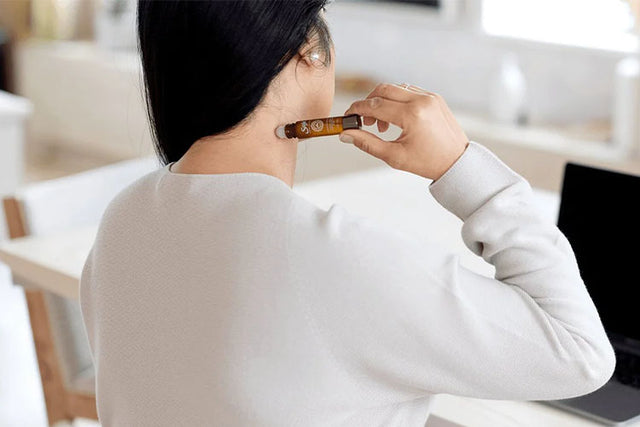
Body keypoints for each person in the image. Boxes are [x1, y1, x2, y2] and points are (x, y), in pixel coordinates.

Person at [79, 1, 616, 426]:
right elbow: (580, 352)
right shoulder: (330, 259)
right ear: (310, 50)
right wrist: (462, 167)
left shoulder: (121, 220)